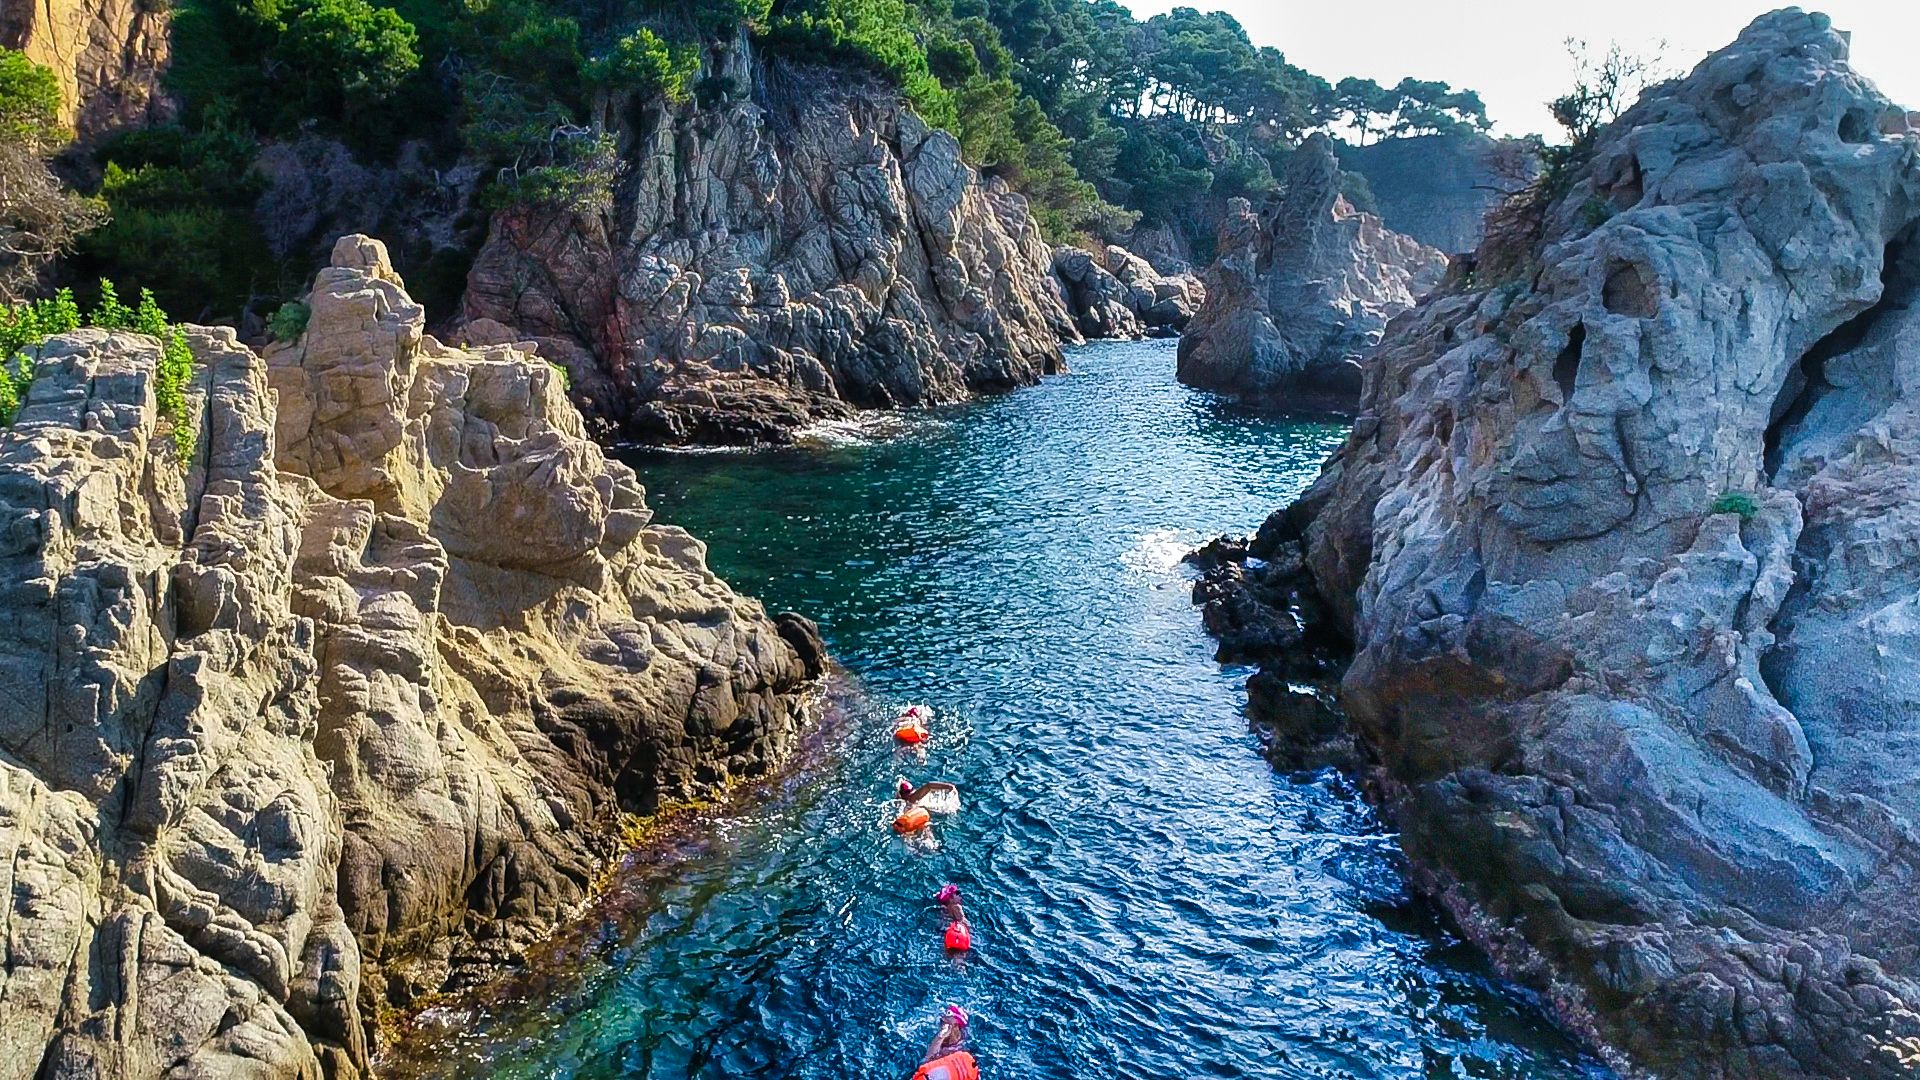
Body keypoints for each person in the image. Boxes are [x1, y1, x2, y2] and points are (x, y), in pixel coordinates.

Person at [912, 1005, 978, 1080]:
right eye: (942, 1021)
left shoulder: (957, 1049)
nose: (942, 1022)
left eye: (945, 1022)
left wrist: (940, 1038)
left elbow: (928, 1063)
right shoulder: (941, 1036)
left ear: (956, 1025)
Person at [937, 884, 971, 951]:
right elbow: (963, 921)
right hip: (958, 934)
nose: (960, 896)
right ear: (951, 898)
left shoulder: (943, 908)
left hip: (947, 931)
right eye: (957, 893)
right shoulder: (957, 907)